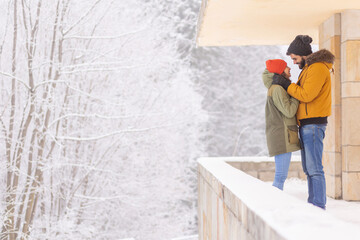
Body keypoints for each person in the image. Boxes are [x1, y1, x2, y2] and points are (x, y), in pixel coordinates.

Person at [272, 35, 335, 209]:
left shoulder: (316, 69)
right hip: (307, 124)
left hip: (313, 124)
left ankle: (318, 205)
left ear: (303, 54)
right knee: (309, 169)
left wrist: (286, 84)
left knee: (314, 169)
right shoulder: (309, 68)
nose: (293, 62)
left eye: (294, 58)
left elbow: (306, 95)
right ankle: (313, 205)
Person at [262, 59, 301, 190]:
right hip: (282, 137)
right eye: (286, 67)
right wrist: (296, 95)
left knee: (280, 175)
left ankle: (274, 202)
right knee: (280, 176)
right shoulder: (277, 89)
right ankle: (274, 203)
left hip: (282, 135)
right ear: (280, 71)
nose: (289, 68)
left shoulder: (277, 88)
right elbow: (289, 111)